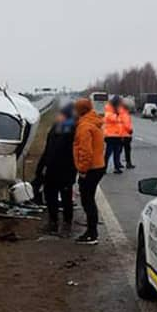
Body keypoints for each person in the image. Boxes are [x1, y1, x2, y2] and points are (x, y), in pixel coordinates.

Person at [34, 102, 77, 235]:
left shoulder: (74, 130)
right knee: (50, 196)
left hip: (66, 170)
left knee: (66, 198)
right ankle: (53, 223)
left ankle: (67, 224)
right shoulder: (55, 128)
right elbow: (48, 149)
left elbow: (75, 152)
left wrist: (74, 171)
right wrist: (40, 168)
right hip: (51, 170)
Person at [72, 97, 106, 245]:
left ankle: (92, 234)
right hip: (98, 166)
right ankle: (91, 231)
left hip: (91, 168)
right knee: (89, 199)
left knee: (88, 200)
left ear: (80, 110)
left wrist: (82, 170)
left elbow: (86, 152)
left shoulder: (84, 126)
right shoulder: (94, 122)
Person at [103, 96, 128, 173]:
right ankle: (104, 168)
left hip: (118, 136)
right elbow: (114, 119)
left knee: (117, 153)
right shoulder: (109, 110)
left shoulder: (118, 110)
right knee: (108, 153)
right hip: (110, 136)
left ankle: (116, 167)